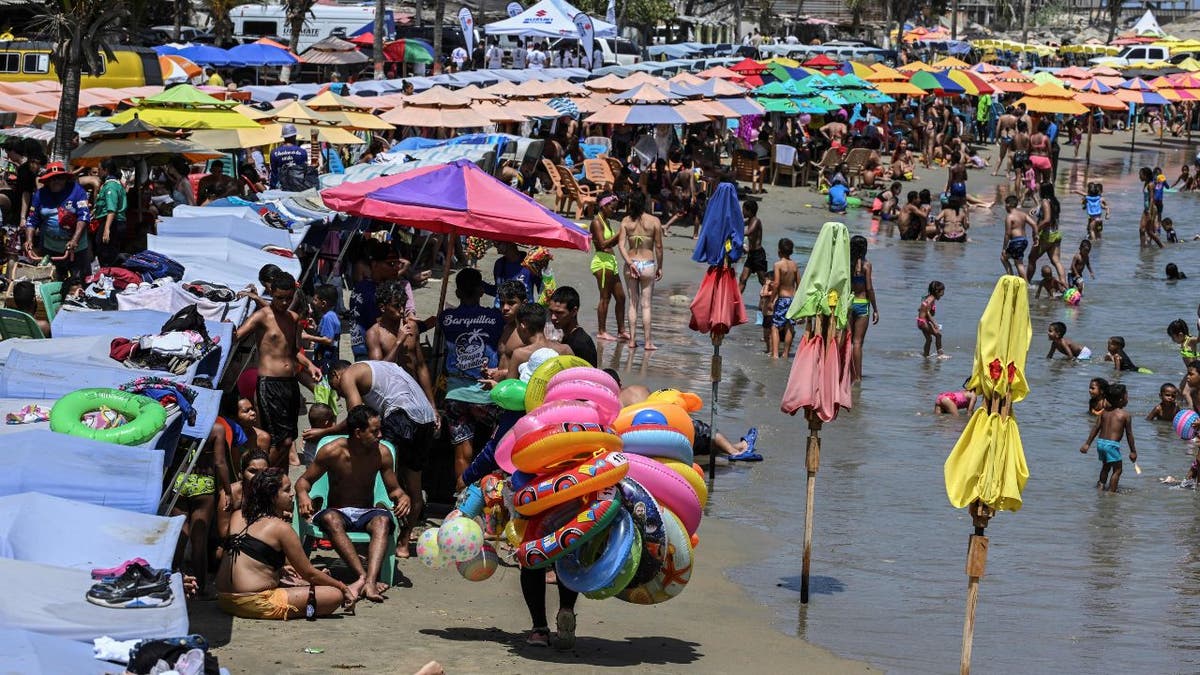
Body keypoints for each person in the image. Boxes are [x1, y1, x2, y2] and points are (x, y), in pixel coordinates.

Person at [316, 363, 435, 558]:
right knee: (414, 486)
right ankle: (403, 544)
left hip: (401, 415)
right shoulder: (382, 368)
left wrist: (325, 432)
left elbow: (357, 419)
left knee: (383, 476)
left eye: (337, 389)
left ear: (337, 374)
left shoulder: (348, 375)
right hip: (426, 418)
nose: (340, 395)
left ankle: (373, 539)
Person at [296, 405, 410, 602]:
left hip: (366, 512)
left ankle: (371, 582)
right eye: (375, 431)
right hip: (337, 511)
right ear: (358, 432)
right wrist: (304, 496)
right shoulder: (332, 451)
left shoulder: (381, 453)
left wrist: (403, 497)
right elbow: (303, 482)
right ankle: (362, 577)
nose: (380, 435)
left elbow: (394, 490)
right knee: (331, 518)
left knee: (383, 520)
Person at [216, 469, 357, 619]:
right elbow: (309, 572)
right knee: (334, 594)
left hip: (224, 599)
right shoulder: (281, 528)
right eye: (286, 490)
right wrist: (343, 587)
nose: (292, 494)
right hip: (254, 601)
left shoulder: (238, 515)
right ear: (272, 496)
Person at [233, 272, 322, 468]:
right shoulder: (262, 317)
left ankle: (278, 485)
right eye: (279, 298)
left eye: (288, 299)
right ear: (272, 292)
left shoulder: (293, 318)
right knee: (280, 441)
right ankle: (257, 477)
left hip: (290, 384)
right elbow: (236, 336)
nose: (283, 302)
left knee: (289, 437)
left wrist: (310, 366)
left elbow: (292, 351)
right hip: (269, 384)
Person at [436, 268, 504, 483]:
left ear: (457, 293)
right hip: (486, 395)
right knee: (497, 448)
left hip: (455, 394)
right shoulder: (495, 317)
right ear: (481, 291)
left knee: (462, 453)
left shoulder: (446, 318)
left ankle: (461, 498)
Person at [24, 162, 91, 280]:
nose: (56, 181)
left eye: (60, 178)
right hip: (50, 248)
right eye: (53, 178)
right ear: (47, 181)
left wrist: (74, 240)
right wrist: (29, 240)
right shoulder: (40, 195)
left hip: (76, 249)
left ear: (65, 179)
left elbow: (84, 216)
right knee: (52, 281)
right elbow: (32, 220)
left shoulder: (77, 191)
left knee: (81, 281)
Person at [617, 192, 663, 351]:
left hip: (632, 264)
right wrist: (660, 267)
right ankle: (648, 342)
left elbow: (621, 245)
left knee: (633, 303)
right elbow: (658, 247)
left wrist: (630, 263)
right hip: (647, 264)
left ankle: (632, 341)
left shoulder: (626, 221)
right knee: (646, 305)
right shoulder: (654, 221)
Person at [1080, 384, 1137, 492]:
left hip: (1100, 443)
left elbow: (1096, 428)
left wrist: (1087, 444)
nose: (1128, 398)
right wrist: (1133, 451)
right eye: (1127, 396)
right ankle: (1111, 493)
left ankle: (1100, 487)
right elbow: (1129, 434)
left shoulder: (1104, 413)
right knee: (1118, 470)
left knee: (1106, 467)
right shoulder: (1125, 415)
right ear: (1121, 399)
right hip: (1112, 445)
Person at [589, 195, 627, 342]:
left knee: (621, 297)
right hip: (602, 262)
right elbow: (603, 244)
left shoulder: (607, 222)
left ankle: (621, 330)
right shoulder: (596, 222)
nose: (614, 211)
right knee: (605, 297)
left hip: (611, 262)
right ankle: (601, 331)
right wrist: (619, 233)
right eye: (612, 208)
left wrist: (621, 236)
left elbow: (611, 244)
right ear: (603, 206)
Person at [507, 303, 573, 379]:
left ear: (523, 325)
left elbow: (510, 387)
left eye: (517, 326)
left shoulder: (519, 355)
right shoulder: (565, 349)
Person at [848, 236, 878, 380]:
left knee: (847, 341)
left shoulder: (846, 264)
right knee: (857, 342)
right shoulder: (867, 265)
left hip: (848, 304)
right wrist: (876, 309)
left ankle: (845, 373)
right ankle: (857, 377)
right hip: (862, 303)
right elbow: (869, 288)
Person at [548, 286, 597, 367]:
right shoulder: (568, 336)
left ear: (574, 311)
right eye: (551, 311)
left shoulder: (581, 343)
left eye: (559, 313)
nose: (553, 317)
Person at [92, 159, 126, 267]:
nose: (98, 172)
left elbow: (112, 209)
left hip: (111, 222)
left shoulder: (111, 186)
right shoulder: (112, 184)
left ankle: (108, 276)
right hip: (111, 222)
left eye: (99, 170)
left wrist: (107, 229)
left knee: (106, 254)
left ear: (105, 170)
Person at [770, 238, 799, 360]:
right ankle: (786, 354)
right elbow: (799, 283)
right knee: (789, 326)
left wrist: (772, 300)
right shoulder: (794, 265)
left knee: (775, 326)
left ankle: (775, 354)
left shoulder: (778, 265)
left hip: (782, 299)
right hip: (792, 299)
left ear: (779, 251)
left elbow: (776, 284)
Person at [306, 284, 340, 372]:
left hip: (325, 360)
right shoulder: (332, 316)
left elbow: (328, 340)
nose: (313, 302)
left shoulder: (327, 317)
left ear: (323, 303)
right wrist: (316, 327)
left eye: (315, 300)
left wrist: (307, 337)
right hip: (330, 358)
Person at [1001, 195, 1034, 278]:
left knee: (1004, 258)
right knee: (1018, 262)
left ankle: (1012, 277)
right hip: (1024, 241)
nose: (1005, 206)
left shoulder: (1009, 217)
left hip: (1016, 241)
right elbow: (1034, 224)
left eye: (1005, 204)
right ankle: (1025, 283)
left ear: (1008, 205)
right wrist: (1036, 236)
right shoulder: (1023, 214)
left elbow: (1007, 233)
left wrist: (1004, 248)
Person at [738, 200, 767, 294]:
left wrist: (734, 234)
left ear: (749, 211)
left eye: (744, 210)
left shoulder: (756, 221)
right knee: (743, 278)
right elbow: (739, 224)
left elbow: (748, 232)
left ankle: (772, 299)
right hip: (751, 255)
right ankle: (735, 301)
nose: (742, 212)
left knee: (763, 281)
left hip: (758, 255)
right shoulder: (749, 220)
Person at [269, 125, 308, 190]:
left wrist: (272, 188)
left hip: (281, 188)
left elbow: (274, 173)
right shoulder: (302, 152)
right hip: (298, 187)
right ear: (295, 136)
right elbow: (304, 171)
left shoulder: (274, 153)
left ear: (283, 137)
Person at [917, 280, 946, 359]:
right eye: (942, 292)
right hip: (924, 322)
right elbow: (928, 313)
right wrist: (934, 324)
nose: (943, 294)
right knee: (938, 335)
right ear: (937, 291)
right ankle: (940, 354)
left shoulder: (928, 298)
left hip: (920, 321)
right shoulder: (931, 300)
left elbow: (920, 309)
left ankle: (926, 355)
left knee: (929, 339)